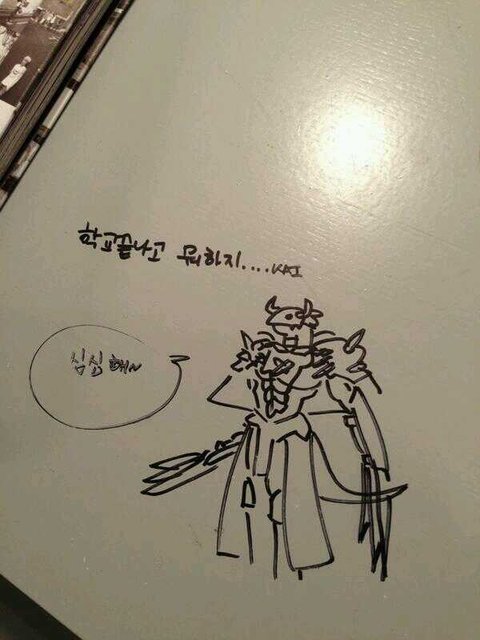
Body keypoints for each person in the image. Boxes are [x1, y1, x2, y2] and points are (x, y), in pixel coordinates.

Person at [142, 297, 408, 581]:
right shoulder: (261, 358)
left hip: (291, 439)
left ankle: (292, 576)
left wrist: (372, 452)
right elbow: (225, 395)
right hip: (256, 438)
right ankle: (245, 573)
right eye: (282, 330)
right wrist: (246, 370)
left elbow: (353, 401)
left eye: (295, 329)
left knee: (289, 509)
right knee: (247, 504)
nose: (288, 336)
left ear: (309, 330)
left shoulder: (319, 366)